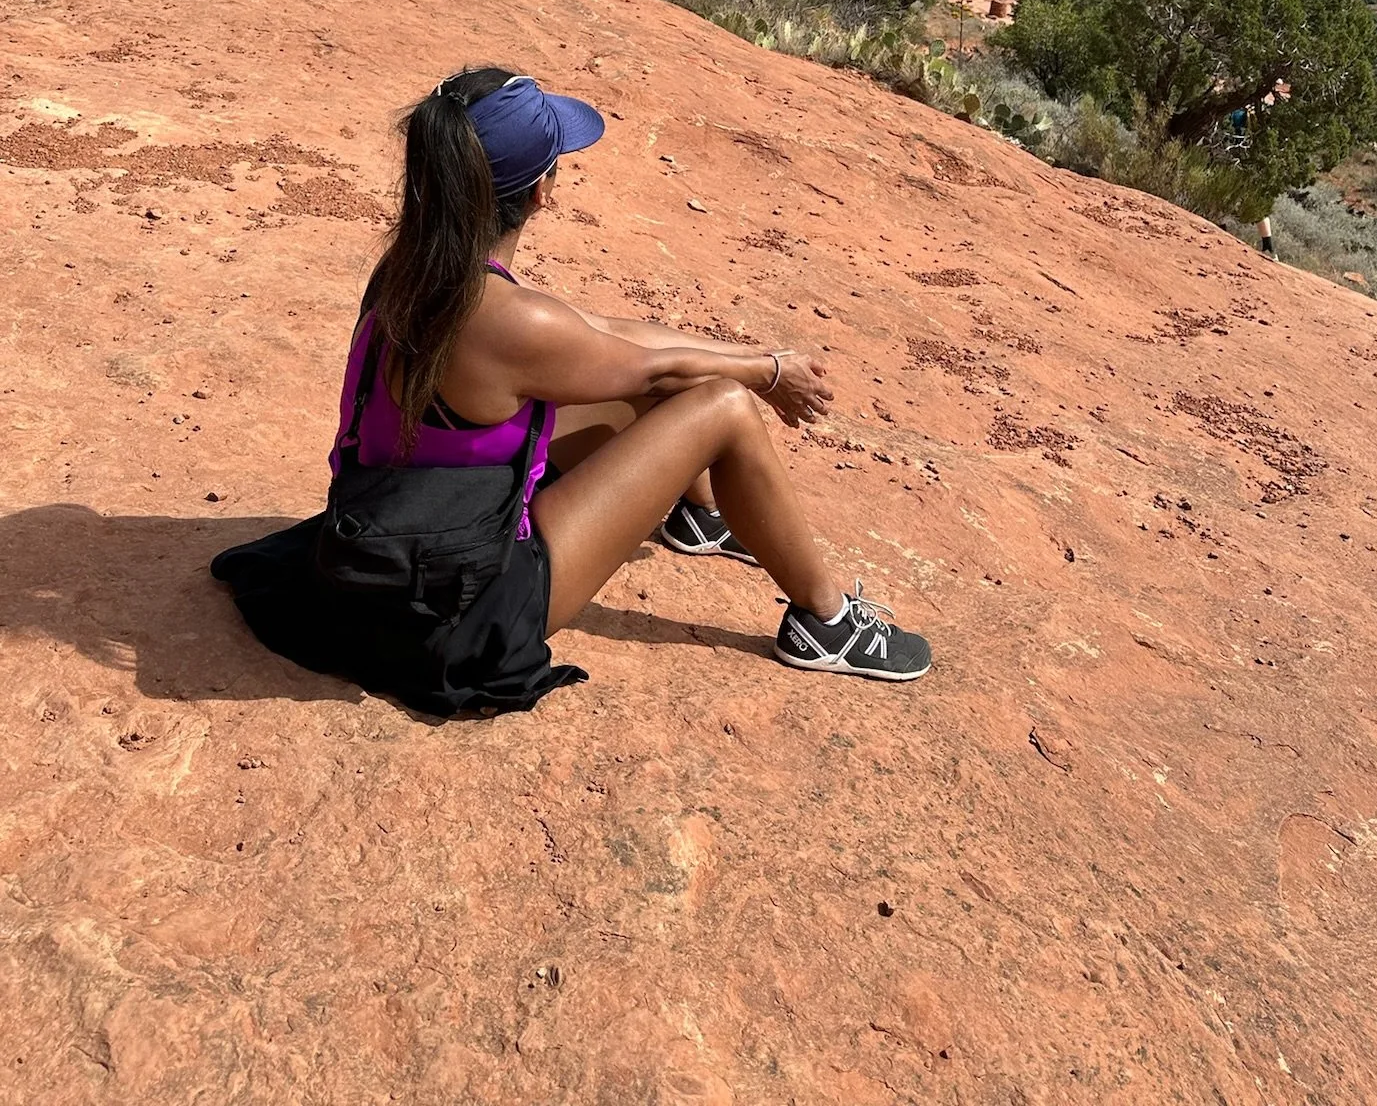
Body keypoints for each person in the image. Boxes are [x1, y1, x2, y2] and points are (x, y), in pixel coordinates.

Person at [213, 66, 931, 714]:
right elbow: (656, 371)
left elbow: (616, 337)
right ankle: (825, 623)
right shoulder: (507, 320)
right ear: (543, 190)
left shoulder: (418, 266)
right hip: (460, 613)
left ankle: (698, 515)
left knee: (641, 367)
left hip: (387, 543)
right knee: (724, 408)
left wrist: (761, 354)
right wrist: (763, 377)